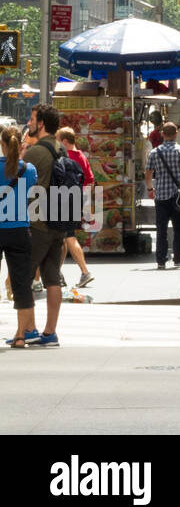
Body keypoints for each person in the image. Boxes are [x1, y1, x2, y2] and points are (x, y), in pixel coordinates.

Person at [25, 104, 68, 346]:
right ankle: (50, 332)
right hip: (58, 222)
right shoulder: (61, 148)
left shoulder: (35, 152)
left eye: (32, 119)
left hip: (38, 222)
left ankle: (29, 328)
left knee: (24, 276)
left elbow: (19, 185)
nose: (30, 123)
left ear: (41, 123)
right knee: (52, 277)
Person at [0, 125, 38, 348]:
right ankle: (21, 335)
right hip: (19, 230)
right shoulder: (28, 169)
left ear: (2, 145)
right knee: (22, 284)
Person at [144, 121, 180, 270]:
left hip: (160, 195)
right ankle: (178, 258)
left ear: (162, 134)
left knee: (161, 229)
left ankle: (161, 260)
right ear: (176, 134)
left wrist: (150, 189)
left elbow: (148, 173)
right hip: (178, 197)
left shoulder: (154, 152)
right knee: (179, 228)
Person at [54, 127, 94, 288]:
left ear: (64, 141)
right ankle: (57, 273)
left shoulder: (64, 157)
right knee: (62, 238)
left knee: (68, 237)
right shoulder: (81, 157)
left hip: (62, 200)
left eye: (57, 139)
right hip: (76, 200)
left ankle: (85, 272)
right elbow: (90, 180)